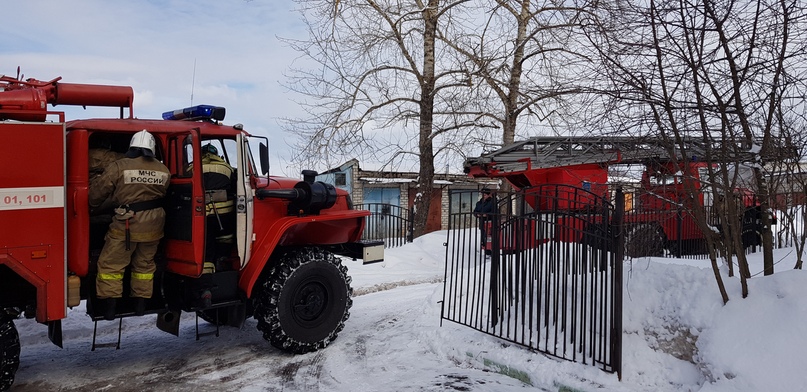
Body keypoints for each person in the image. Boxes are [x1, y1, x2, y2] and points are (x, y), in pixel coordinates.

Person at [89, 130, 170, 320]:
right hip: (155, 225)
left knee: (111, 265)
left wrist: (93, 205)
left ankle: (110, 307)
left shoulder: (120, 166)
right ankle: (140, 304)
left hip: (127, 224)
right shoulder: (163, 169)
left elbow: (97, 193)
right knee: (144, 265)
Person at [473, 188, 495, 254]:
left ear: (488, 195)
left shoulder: (492, 202)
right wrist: (477, 215)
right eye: (482, 194)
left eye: (485, 194)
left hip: (490, 222)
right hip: (482, 222)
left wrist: (487, 215)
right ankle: (485, 248)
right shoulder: (479, 203)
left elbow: (494, 212)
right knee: (483, 236)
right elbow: (475, 211)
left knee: (489, 236)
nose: (483, 196)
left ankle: (490, 251)